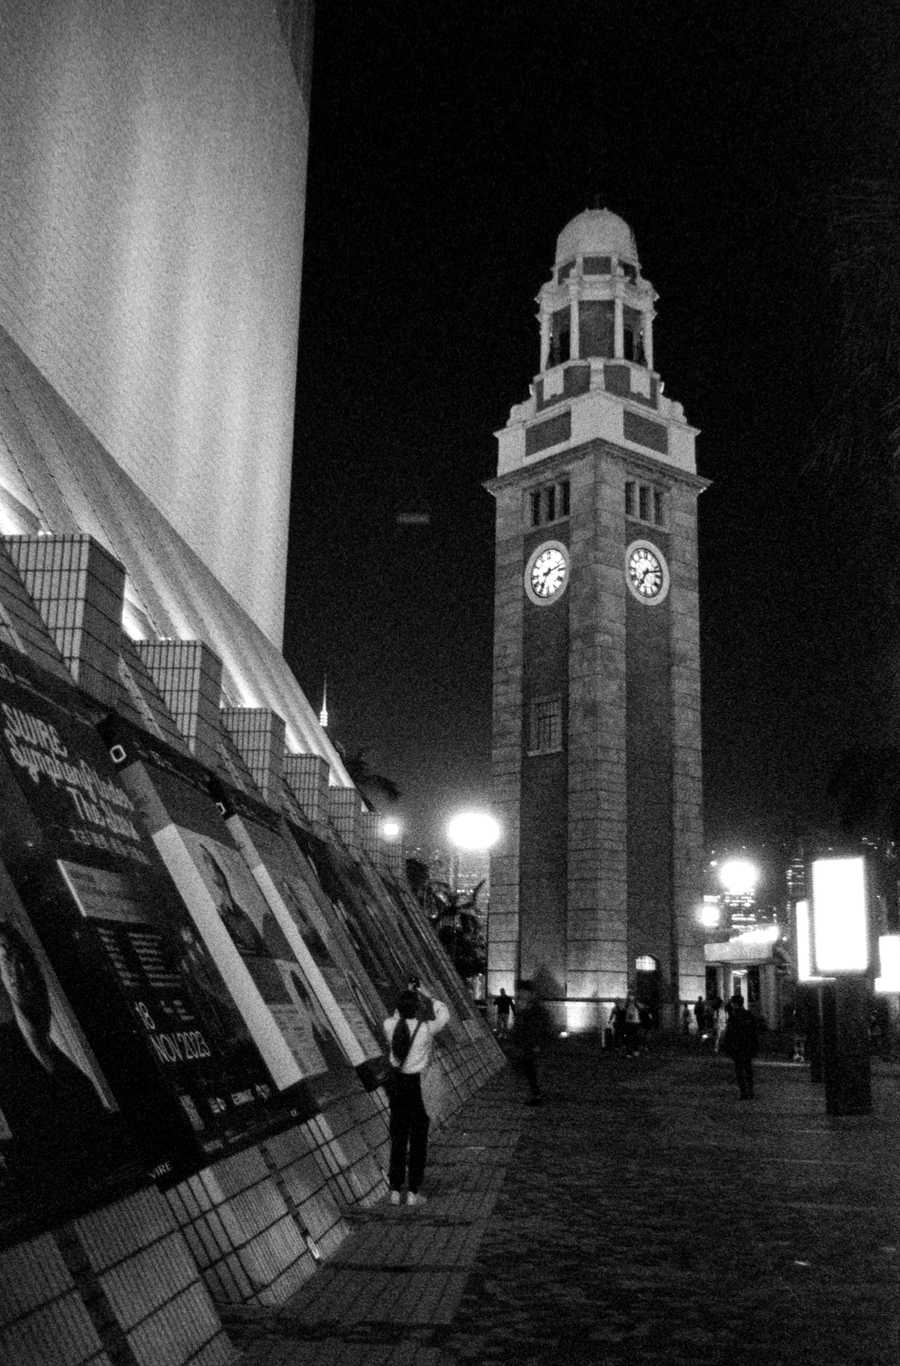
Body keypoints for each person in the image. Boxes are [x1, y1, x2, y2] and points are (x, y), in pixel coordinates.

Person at [383, 984, 449, 1206]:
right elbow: (444, 1014)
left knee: (398, 1137)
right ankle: (412, 1191)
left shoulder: (389, 1025)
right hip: (417, 1087)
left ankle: (394, 1190)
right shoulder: (426, 1028)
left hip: (397, 1088)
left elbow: (397, 1017)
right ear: (417, 1008)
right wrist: (429, 997)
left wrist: (407, 996)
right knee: (418, 1139)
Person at [508, 979, 553, 1104]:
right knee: (528, 1071)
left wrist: (537, 1044)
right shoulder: (527, 1010)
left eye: (521, 996)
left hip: (532, 1047)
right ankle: (533, 1093)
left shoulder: (536, 1011)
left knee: (532, 1071)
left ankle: (536, 1095)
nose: (518, 1000)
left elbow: (541, 1028)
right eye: (518, 996)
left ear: (530, 994)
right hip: (526, 1046)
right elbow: (519, 1028)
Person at [721, 993, 759, 1099]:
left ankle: (743, 1092)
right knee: (748, 1069)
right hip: (748, 1046)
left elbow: (730, 1033)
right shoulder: (749, 1015)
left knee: (739, 1070)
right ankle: (750, 1090)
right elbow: (754, 1032)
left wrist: (726, 1046)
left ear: (734, 1004)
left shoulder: (734, 1017)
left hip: (737, 1047)